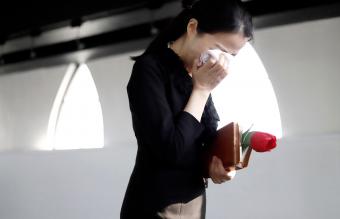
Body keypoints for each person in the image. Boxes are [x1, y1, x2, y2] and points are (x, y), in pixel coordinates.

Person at [120, 0, 253, 218]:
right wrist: (201, 90)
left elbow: (201, 143)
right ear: (192, 28)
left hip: (194, 202)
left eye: (230, 56)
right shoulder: (149, 70)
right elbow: (172, 149)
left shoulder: (197, 74)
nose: (220, 61)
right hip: (155, 203)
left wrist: (215, 165)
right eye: (218, 49)